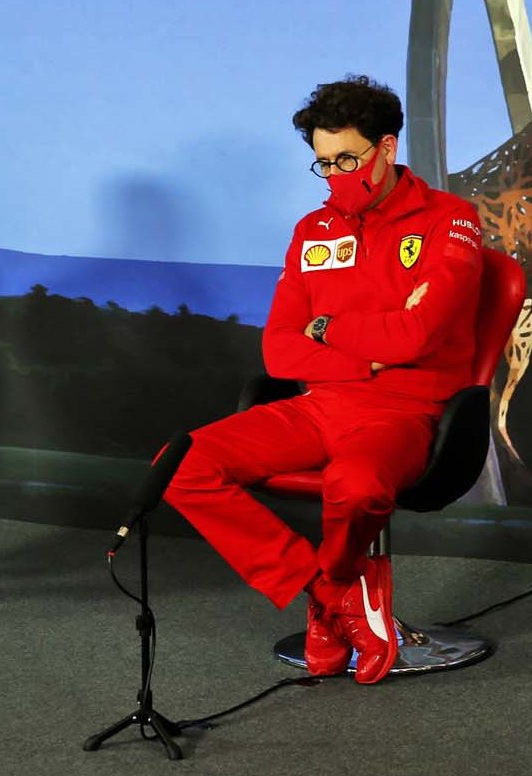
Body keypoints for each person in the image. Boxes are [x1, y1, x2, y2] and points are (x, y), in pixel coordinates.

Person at [163, 75, 485, 684]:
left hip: (405, 412)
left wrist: (328, 326)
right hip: (318, 407)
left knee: (357, 485)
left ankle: (333, 593)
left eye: (349, 159)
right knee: (179, 463)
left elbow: (418, 339)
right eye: (323, 164)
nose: (336, 175)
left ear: (387, 148)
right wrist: (370, 349)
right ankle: (332, 596)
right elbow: (280, 352)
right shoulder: (314, 231)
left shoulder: (452, 221)